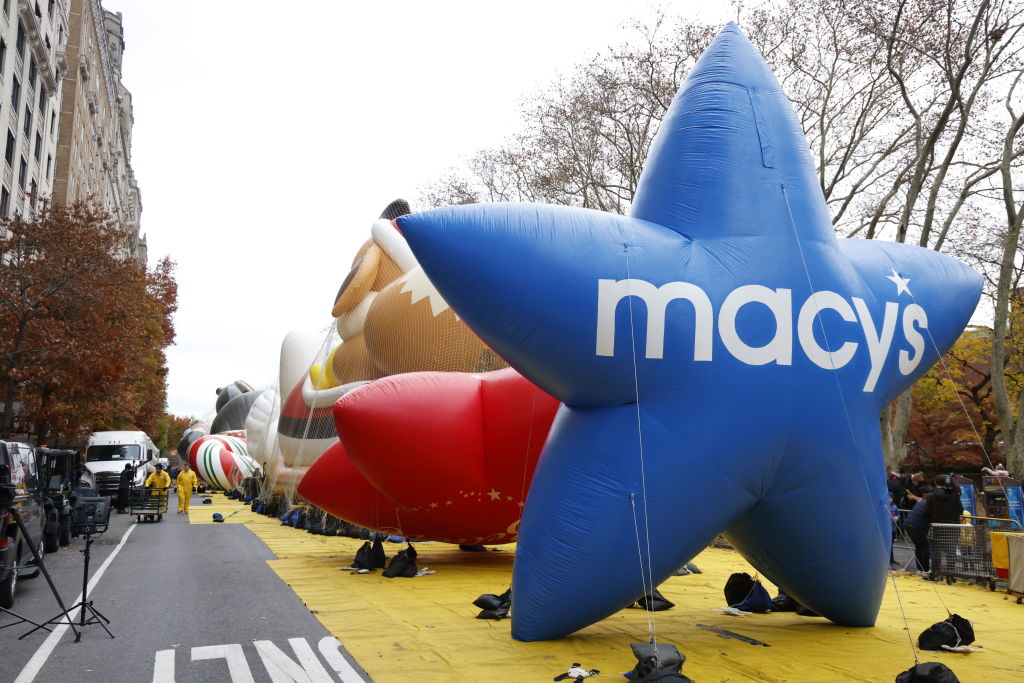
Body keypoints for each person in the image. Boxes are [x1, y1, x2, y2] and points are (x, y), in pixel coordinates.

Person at [903, 494, 931, 573]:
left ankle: (919, 569)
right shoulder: (930, 504)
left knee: (918, 546)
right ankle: (925, 569)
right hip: (917, 526)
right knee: (925, 546)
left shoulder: (920, 502)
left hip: (908, 524)